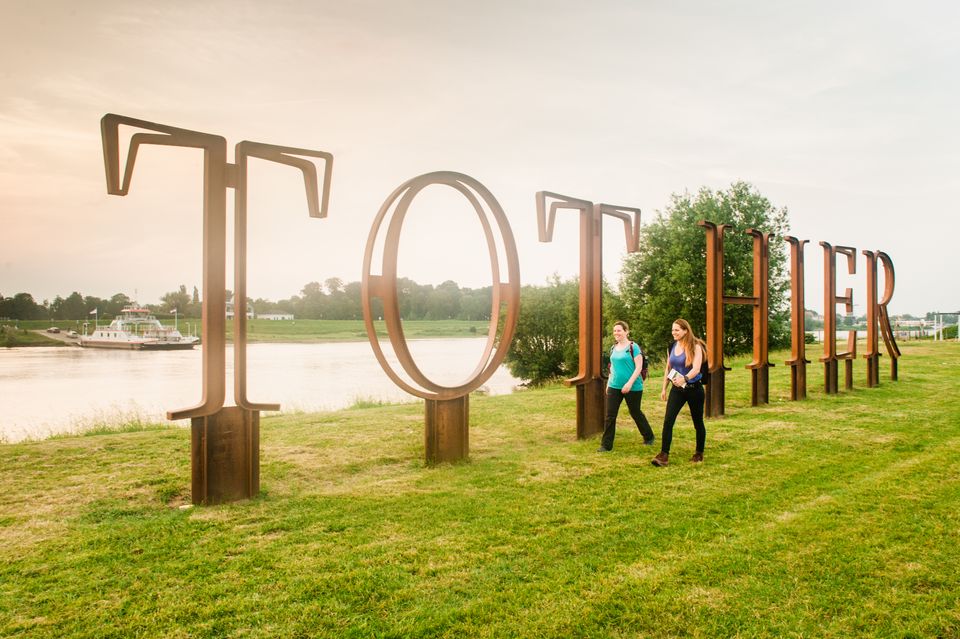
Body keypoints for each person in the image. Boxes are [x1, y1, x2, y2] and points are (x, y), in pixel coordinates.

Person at [652, 318, 707, 466]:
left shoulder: (696, 346)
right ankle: (663, 455)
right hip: (677, 390)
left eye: (677, 330)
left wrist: (685, 379)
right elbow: (668, 368)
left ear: (685, 331)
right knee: (668, 421)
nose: (673, 333)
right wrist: (664, 387)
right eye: (672, 330)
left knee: (698, 422)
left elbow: (696, 369)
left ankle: (699, 453)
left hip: (694, 389)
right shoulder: (672, 346)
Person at [597, 320, 655, 452]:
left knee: (635, 412)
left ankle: (649, 436)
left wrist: (629, 384)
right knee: (610, 415)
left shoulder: (633, 347)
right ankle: (606, 445)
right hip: (614, 386)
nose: (616, 333)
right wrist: (609, 383)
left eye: (619, 330)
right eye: (615, 331)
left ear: (626, 332)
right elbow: (612, 367)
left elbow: (639, 367)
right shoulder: (613, 348)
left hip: (633, 386)